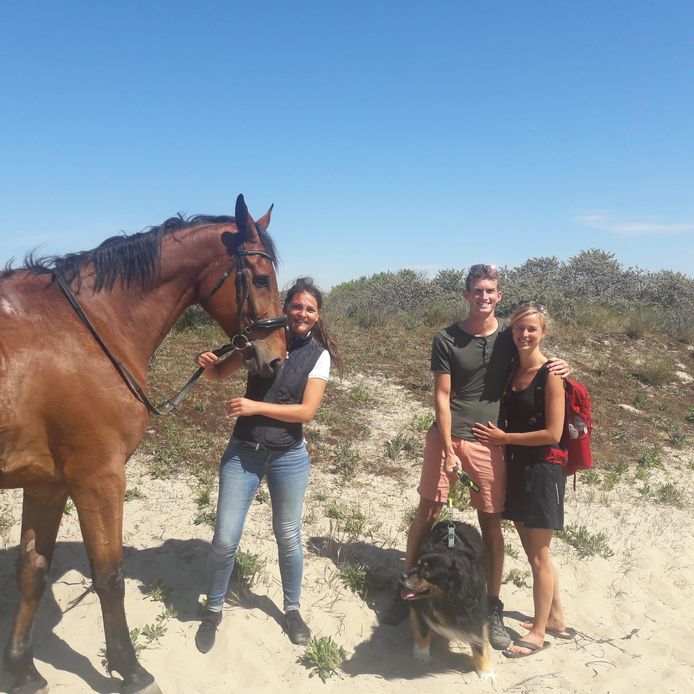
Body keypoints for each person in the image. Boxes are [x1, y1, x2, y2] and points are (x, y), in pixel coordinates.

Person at [381, 264, 568, 652]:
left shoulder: (509, 337)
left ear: (499, 295)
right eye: (477, 291)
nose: (484, 297)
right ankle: (407, 588)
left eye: (491, 291)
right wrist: (448, 445)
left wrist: (562, 366)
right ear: (466, 295)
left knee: (491, 523)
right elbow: (442, 396)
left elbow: (537, 356)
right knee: (428, 511)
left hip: (490, 443)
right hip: (448, 436)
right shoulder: (446, 338)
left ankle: (491, 606)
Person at [194, 277, 344, 653]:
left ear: (317, 315)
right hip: (243, 452)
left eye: (310, 309)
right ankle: (213, 609)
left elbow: (306, 412)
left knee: (288, 535)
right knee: (225, 538)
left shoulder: (318, 355)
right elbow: (219, 374)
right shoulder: (260, 337)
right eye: (296, 306)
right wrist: (208, 364)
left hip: (289, 456)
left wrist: (256, 406)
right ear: (285, 307)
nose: (302, 314)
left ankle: (292, 610)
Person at [473, 302, 570, 658]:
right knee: (532, 552)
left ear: (543, 332)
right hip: (516, 469)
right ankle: (556, 616)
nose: (525, 334)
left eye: (532, 329)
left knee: (540, 555)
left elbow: (553, 433)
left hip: (543, 470)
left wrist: (505, 439)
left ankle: (539, 633)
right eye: (519, 329)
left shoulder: (552, 374)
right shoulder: (513, 369)